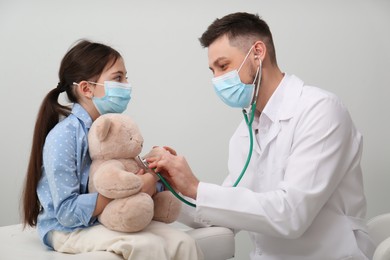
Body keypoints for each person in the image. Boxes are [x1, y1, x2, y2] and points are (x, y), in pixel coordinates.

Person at [147, 12, 376, 259]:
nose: (217, 80)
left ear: (258, 53)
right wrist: (166, 188)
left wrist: (195, 187)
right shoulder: (243, 135)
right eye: (212, 71)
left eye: (223, 66)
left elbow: (291, 216)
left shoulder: (320, 110)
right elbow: (221, 218)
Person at [21, 40, 202, 260]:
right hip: (66, 229)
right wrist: (135, 188)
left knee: (184, 243)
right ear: (87, 88)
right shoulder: (64, 136)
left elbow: (120, 175)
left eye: (126, 76)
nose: (127, 84)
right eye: (118, 78)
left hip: (106, 218)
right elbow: (66, 212)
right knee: (148, 246)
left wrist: (152, 170)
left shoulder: (114, 128)